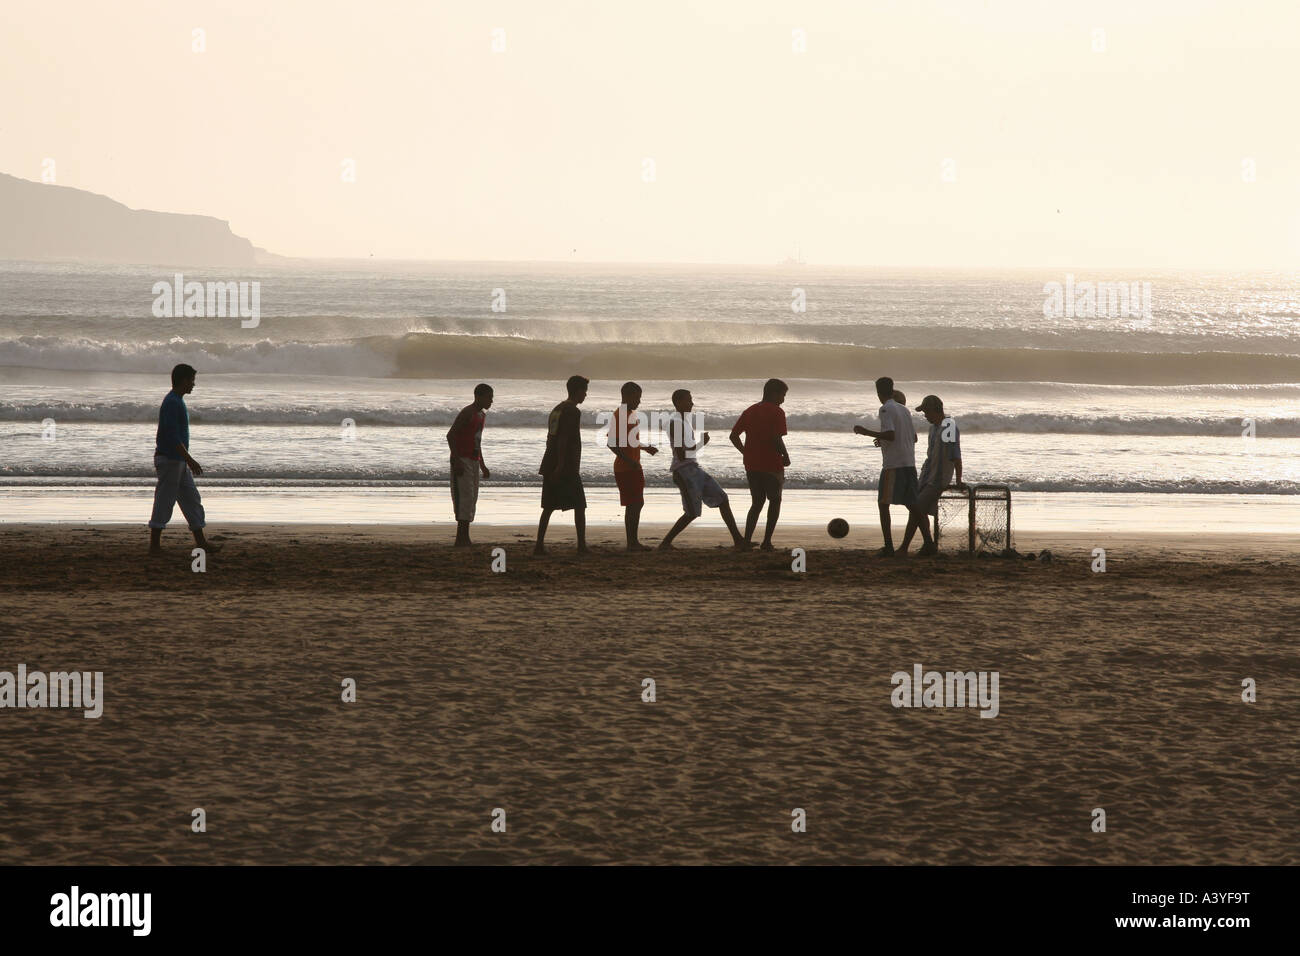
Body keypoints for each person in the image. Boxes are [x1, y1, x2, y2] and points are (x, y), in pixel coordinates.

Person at [659, 388, 749, 551]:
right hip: (684, 472)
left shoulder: (684, 422)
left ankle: (738, 540)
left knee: (722, 499)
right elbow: (681, 455)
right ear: (678, 403)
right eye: (688, 400)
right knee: (691, 513)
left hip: (694, 469)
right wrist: (701, 443)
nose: (692, 403)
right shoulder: (675, 424)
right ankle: (665, 543)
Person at [148, 363, 214, 555]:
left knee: (191, 499)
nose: (193, 384)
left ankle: (201, 542)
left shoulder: (177, 400)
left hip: (178, 460)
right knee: (164, 500)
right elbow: (172, 437)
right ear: (183, 380)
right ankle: (154, 545)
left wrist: (185, 460)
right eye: (192, 380)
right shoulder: (172, 403)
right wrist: (190, 459)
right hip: (170, 459)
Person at [853, 376, 918, 556]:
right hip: (909, 462)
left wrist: (865, 432)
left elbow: (890, 434)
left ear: (878, 392)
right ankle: (928, 542)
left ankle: (888, 547)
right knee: (912, 504)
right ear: (892, 389)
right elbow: (913, 437)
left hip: (893, 464)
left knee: (883, 504)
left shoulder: (885, 409)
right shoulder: (904, 410)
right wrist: (882, 440)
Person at [729, 378, 790, 550]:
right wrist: (785, 455)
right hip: (771, 463)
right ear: (773, 393)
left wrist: (745, 452)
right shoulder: (777, 412)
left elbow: (733, 436)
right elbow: (776, 438)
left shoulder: (750, 411)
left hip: (751, 464)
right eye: (782, 395)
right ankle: (766, 541)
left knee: (757, 503)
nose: (783, 399)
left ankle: (746, 540)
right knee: (775, 500)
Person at [899, 394, 964, 556]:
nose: (925, 415)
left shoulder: (948, 426)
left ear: (935, 410)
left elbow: (955, 455)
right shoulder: (933, 428)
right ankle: (927, 544)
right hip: (927, 475)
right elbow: (931, 455)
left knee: (917, 508)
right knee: (914, 507)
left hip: (939, 477)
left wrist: (958, 480)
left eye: (926, 412)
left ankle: (909, 547)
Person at [535, 375, 589, 555]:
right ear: (578, 391)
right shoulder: (572, 411)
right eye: (585, 391)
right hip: (565, 465)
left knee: (549, 506)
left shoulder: (557, 409)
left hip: (550, 461)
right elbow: (564, 439)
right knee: (580, 505)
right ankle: (581, 546)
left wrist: (553, 463)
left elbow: (551, 437)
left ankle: (539, 545)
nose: (586, 395)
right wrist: (561, 465)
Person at [607, 381, 658, 551]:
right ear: (627, 396)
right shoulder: (621, 414)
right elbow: (611, 443)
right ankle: (632, 543)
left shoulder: (629, 414)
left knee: (636, 503)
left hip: (633, 466)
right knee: (634, 504)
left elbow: (631, 441)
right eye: (637, 397)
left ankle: (632, 542)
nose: (639, 401)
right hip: (626, 468)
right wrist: (629, 461)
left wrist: (645, 448)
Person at [446, 383, 493, 546]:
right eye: (489, 397)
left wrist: (483, 464)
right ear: (478, 396)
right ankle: (461, 538)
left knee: (472, 498)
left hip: (474, 460)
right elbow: (451, 435)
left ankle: (465, 537)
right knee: (463, 498)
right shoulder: (467, 412)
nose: (491, 401)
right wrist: (457, 459)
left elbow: (477, 441)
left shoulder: (481, 415)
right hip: (462, 460)